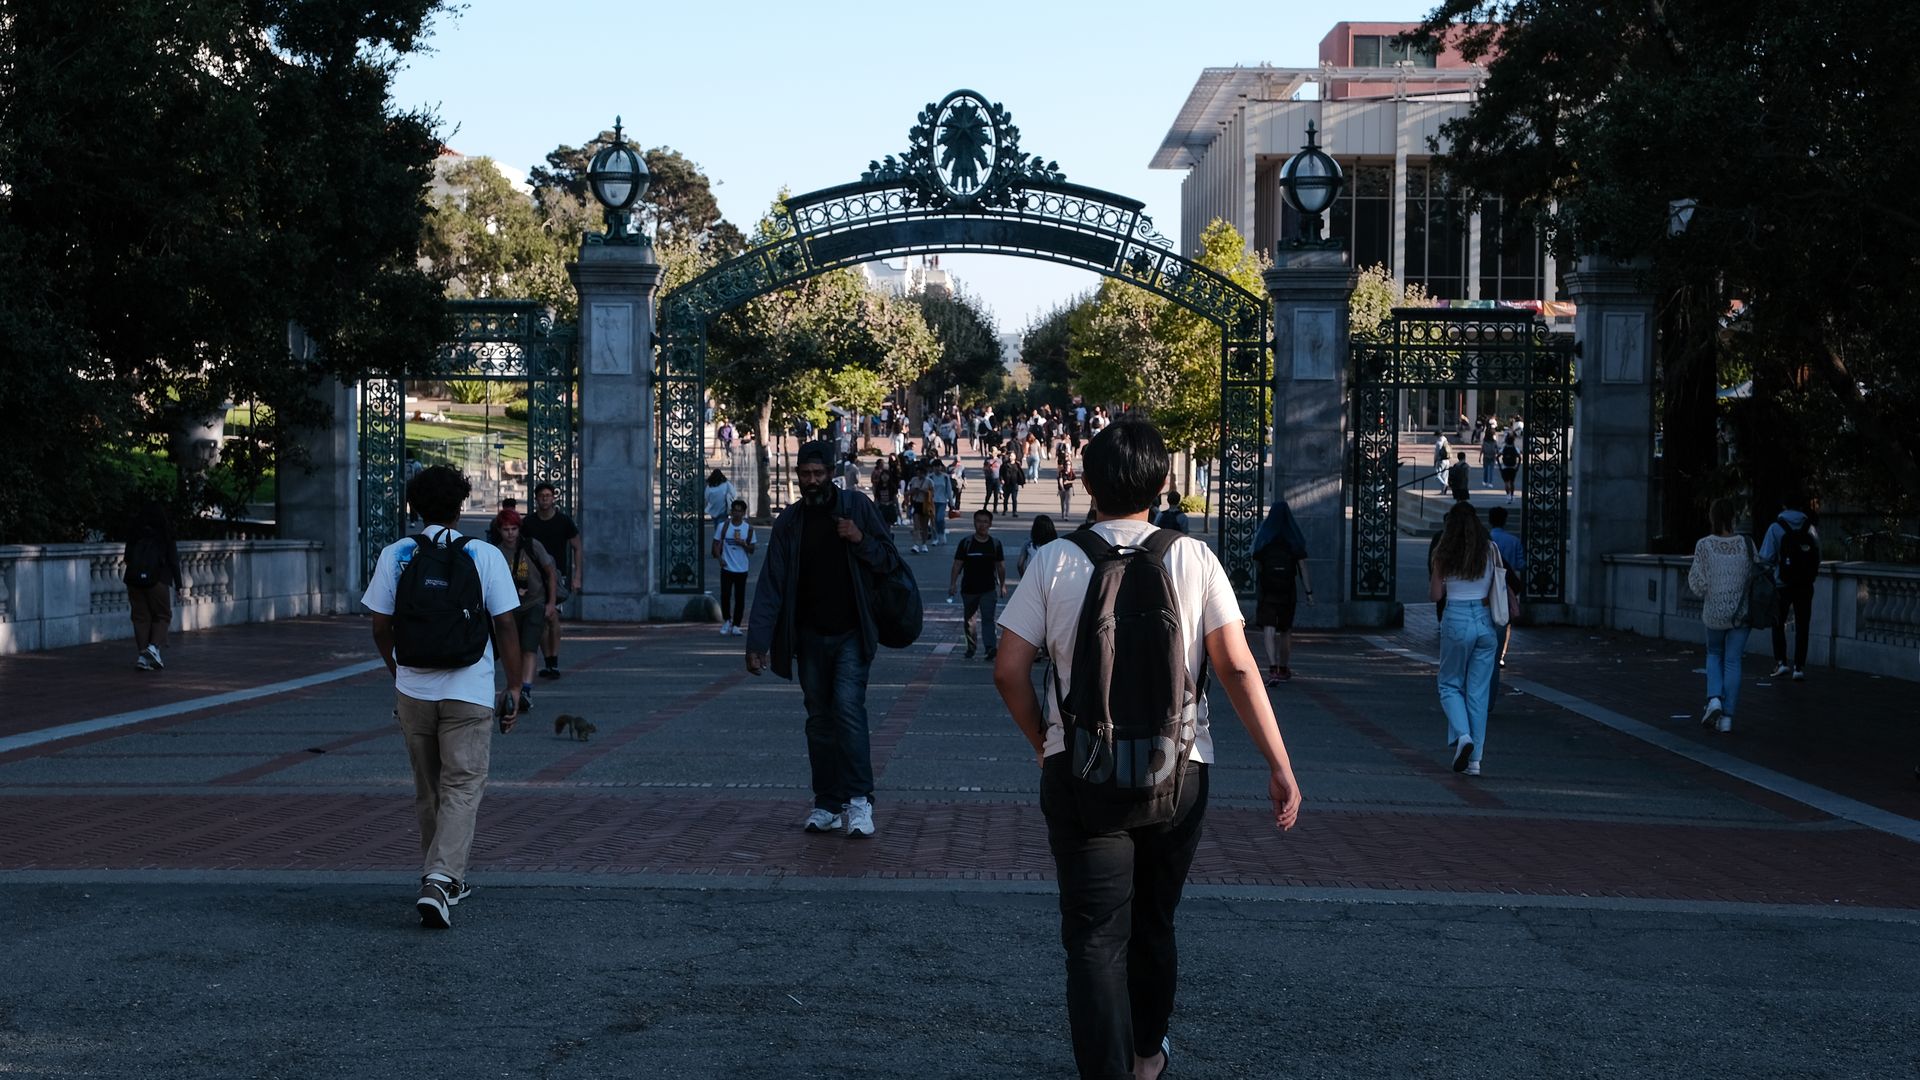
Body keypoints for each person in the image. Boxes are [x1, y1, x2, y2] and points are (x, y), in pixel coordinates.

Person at [992, 419, 1303, 1080]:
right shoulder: (1192, 559)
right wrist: (1279, 765)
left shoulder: (1054, 561)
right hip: (1179, 769)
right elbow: (1240, 670)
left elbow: (1008, 668)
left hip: (1080, 768)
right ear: (1163, 482)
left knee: (1095, 937)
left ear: (1088, 481)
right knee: (1154, 921)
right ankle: (1146, 1058)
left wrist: (1045, 742)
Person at [362, 465, 523, 928]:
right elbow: (507, 623)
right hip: (469, 689)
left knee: (429, 787)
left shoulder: (397, 554)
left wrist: (398, 669)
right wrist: (513, 687)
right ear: (460, 507)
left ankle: (443, 876)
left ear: (415, 507)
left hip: (413, 688)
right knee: (463, 784)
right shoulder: (484, 554)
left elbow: (379, 624)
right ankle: (440, 878)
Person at [745, 441, 905, 839]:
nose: (812, 481)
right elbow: (771, 584)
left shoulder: (857, 509)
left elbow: (890, 559)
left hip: (853, 632)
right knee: (819, 721)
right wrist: (757, 642)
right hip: (810, 637)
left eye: (818, 474)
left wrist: (859, 539)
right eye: (805, 475)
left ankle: (859, 801)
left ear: (831, 472)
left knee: (848, 711)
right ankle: (827, 803)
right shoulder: (790, 522)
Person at [1429, 502, 1500, 777]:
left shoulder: (1443, 553)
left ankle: (1463, 736)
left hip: (1456, 617)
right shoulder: (1490, 549)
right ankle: (1475, 761)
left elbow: (1436, 595)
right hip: (1484, 619)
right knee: (1478, 692)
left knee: (1449, 684)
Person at [1688, 497, 1757, 734]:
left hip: (1715, 612)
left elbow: (1697, 583)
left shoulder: (1704, 545)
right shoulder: (1747, 545)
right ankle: (1727, 717)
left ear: (1712, 517)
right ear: (1733, 517)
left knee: (1714, 653)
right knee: (1733, 661)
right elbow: (1754, 577)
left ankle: (1714, 698)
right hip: (1741, 613)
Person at [494, 510, 558, 713]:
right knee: (512, 649)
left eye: (514, 529)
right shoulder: (496, 552)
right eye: (506, 530)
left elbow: (550, 574)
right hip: (508, 607)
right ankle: (515, 685)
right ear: (499, 530)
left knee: (529, 648)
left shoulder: (532, 546)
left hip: (534, 603)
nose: (510, 534)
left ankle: (526, 690)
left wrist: (551, 603)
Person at [520, 482, 581, 680]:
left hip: (557, 575)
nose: (545, 499)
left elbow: (577, 547)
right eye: (541, 496)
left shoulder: (563, 521)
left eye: (548, 495)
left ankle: (553, 660)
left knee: (552, 617)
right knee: (543, 619)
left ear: (554, 498)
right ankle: (549, 661)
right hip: (534, 577)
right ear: (536, 499)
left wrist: (577, 575)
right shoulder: (529, 523)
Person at [1758, 493, 1821, 681]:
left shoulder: (1776, 528)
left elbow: (1765, 558)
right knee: (1803, 625)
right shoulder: (1810, 527)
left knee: (1778, 623)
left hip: (1782, 583)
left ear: (1784, 505)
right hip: (1805, 584)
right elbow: (1818, 555)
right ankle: (1799, 666)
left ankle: (1781, 661)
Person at [1251, 499, 1313, 685]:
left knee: (1269, 629)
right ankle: (1284, 667)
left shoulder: (1265, 538)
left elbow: (1256, 561)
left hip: (1268, 589)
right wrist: (1309, 593)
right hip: (1288, 591)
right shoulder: (1294, 538)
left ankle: (1272, 668)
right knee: (1286, 630)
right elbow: (1303, 569)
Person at [123, 502, 182, 671]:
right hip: (158, 579)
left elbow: (127, 557)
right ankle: (154, 647)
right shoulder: (165, 534)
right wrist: (179, 585)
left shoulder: (135, 533)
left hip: (133, 580)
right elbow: (173, 561)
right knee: (162, 615)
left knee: (140, 617)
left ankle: (143, 655)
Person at [949, 509, 1007, 660]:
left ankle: (990, 647)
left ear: (990, 524)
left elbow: (1000, 566)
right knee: (969, 621)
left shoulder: (995, 544)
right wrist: (953, 584)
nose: (982, 525)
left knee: (988, 619)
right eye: (979, 521)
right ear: (974, 523)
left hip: (988, 589)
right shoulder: (966, 543)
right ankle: (971, 646)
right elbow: (957, 565)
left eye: (985, 522)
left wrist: (1002, 585)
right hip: (969, 589)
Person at [1486, 506, 1526, 668]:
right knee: (1505, 620)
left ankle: (1489, 650)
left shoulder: (1486, 540)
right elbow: (1520, 564)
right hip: (1506, 586)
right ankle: (1501, 654)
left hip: (1488, 587)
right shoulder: (1513, 541)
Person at [713, 498, 755, 636]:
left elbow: (752, 549)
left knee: (740, 597)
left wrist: (743, 544)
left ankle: (737, 625)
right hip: (726, 567)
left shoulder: (748, 529)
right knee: (725, 595)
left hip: (742, 568)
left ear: (744, 513)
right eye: (734, 510)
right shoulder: (723, 526)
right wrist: (720, 559)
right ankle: (727, 621)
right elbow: (716, 544)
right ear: (731, 512)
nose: (737, 513)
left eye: (740, 511)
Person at [927, 459, 955, 546]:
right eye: (935, 466)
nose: (937, 468)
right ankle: (935, 538)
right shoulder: (930, 477)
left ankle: (941, 535)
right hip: (932, 501)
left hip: (942, 501)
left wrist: (951, 503)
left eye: (939, 466)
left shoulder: (946, 477)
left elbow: (949, 490)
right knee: (933, 520)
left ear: (941, 467)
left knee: (940, 518)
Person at [1001, 453, 1025, 518]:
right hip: (1007, 484)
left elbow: (1020, 474)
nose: (1010, 457)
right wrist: (1002, 479)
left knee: (1014, 499)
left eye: (1012, 456)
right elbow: (1001, 472)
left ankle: (1014, 512)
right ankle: (1005, 510)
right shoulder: (1005, 464)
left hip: (1014, 484)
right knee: (1006, 498)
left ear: (1015, 457)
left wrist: (1022, 482)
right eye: (1010, 456)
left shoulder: (1017, 465)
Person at [1497, 436, 1520, 503]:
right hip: (1513, 467)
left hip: (1505, 467)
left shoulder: (1504, 448)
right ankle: (1512, 495)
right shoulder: (1515, 448)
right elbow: (1519, 458)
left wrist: (1500, 466)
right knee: (1512, 482)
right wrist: (1517, 466)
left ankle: (1508, 496)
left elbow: (1497, 456)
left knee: (1506, 482)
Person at [1056, 447, 1076, 517]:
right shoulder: (1061, 472)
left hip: (1069, 488)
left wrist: (1068, 482)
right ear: (1064, 466)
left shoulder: (1072, 472)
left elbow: (1074, 480)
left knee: (1067, 502)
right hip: (1062, 489)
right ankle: (1063, 513)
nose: (1068, 466)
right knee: (1062, 502)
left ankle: (1067, 514)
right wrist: (1062, 488)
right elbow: (1060, 480)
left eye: (1069, 465)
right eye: (1067, 465)